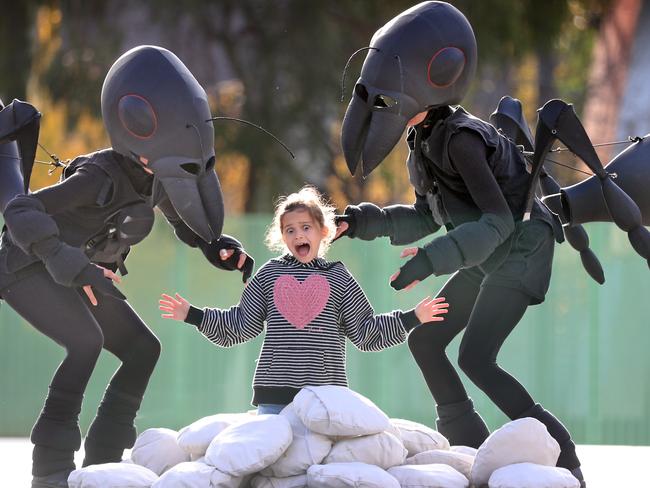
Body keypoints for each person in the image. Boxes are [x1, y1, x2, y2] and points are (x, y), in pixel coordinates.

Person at [334, 2, 584, 485]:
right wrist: (360, 222)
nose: (379, 111)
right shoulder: (424, 140)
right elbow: (427, 216)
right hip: (486, 249)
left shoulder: (462, 140)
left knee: (476, 357)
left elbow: (498, 222)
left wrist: (429, 261)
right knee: (427, 339)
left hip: (521, 249)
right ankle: (467, 447)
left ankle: (564, 458)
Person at [0, 46, 252, 488]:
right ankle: (50, 472)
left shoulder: (153, 177)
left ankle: (103, 466)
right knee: (85, 344)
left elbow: (178, 215)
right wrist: (66, 262)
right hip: (26, 265)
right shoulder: (99, 176)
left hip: (81, 274)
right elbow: (21, 210)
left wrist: (214, 247)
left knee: (142, 350)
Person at [159, 186, 449, 414]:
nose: (299, 234)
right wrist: (193, 315)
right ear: (283, 238)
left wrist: (413, 317)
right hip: (274, 397)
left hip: (326, 397)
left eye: (306, 227)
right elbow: (240, 325)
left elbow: (365, 332)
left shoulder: (338, 278)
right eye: (290, 230)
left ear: (323, 232)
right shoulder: (269, 275)